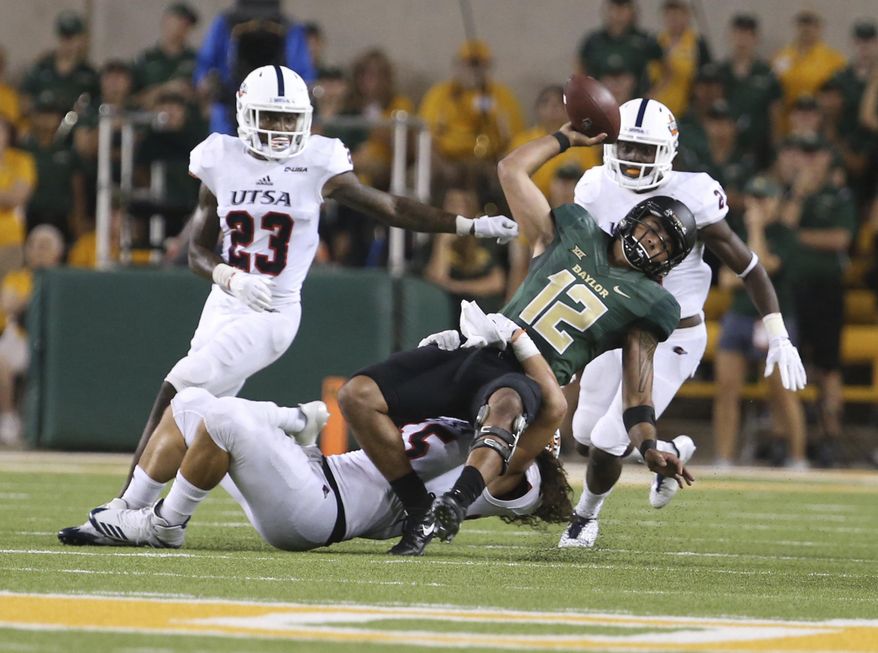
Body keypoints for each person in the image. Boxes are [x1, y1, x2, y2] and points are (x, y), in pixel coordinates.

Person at [61, 64, 518, 534]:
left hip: (272, 312)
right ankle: (256, 449)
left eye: (288, 119)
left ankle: (124, 506)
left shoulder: (317, 162)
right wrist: (228, 276)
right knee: (194, 411)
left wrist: (468, 224)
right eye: (270, 117)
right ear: (244, 113)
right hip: (225, 302)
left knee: (180, 382)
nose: (280, 130)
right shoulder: (220, 157)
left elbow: (390, 207)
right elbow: (196, 250)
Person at [339, 121, 698, 556]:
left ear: (669, 261)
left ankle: (455, 503)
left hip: (531, 377)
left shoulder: (650, 302)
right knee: (357, 396)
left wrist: (646, 445)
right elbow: (511, 169)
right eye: (652, 229)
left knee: (506, 405)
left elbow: (637, 393)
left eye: (664, 243)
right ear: (633, 220)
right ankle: (418, 511)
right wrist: (566, 139)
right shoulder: (574, 228)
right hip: (480, 349)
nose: (652, 242)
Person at [559, 98, 807, 549]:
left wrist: (778, 334)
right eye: (626, 148)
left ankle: (585, 519)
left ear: (668, 151)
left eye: (643, 150)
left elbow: (747, 266)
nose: (632, 160)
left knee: (609, 440)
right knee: (583, 437)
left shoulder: (694, 194)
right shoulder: (594, 186)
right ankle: (666, 451)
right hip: (615, 327)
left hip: (671, 332)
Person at [58, 385, 572, 549]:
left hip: (320, 511)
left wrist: (531, 422)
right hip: (317, 473)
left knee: (228, 419)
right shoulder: (466, 414)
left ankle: (165, 526)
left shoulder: (520, 479)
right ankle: (126, 508)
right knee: (192, 401)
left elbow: (504, 460)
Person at [713, 176, 806, 468]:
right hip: (739, 315)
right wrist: (748, 268)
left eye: (764, 198)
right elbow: (726, 281)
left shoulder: (786, 235)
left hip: (774, 320)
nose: (758, 204)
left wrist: (755, 230)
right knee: (727, 390)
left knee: (783, 392)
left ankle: (797, 458)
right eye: (754, 198)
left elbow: (760, 269)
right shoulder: (733, 232)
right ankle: (724, 458)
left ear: (777, 202)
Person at [782, 135, 857, 467]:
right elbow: (782, 226)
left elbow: (840, 238)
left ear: (827, 158)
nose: (809, 161)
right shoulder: (791, 193)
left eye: (815, 154)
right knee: (795, 366)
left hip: (826, 291)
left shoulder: (838, 195)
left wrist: (800, 238)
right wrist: (798, 193)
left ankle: (831, 435)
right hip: (791, 291)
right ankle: (790, 437)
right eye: (804, 153)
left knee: (827, 368)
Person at [194, 0, 315, 136]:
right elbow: (206, 64)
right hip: (229, 101)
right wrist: (207, 86)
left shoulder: (290, 26)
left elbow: (302, 74)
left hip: (278, 105)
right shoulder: (225, 23)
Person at [418, 40, 524, 192]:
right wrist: (443, 166)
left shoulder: (503, 96)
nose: (475, 70)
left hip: (488, 163)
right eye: (469, 64)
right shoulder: (439, 94)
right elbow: (425, 136)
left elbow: (514, 140)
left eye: (481, 64)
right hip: (448, 162)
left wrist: (499, 166)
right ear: (457, 66)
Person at [0, 225, 65, 445]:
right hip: (21, 340)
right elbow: (7, 303)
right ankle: (8, 418)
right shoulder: (19, 278)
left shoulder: (63, 280)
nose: (38, 251)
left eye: (44, 247)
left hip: (55, 345)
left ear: (57, 252)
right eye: (33, 246)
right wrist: (35, 293)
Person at [715, 13, 784, 168]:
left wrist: (776, 148)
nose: (742, 40)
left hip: (759, 147)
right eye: (738, 33)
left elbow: (776, 113)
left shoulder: (767, 74)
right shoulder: (719, 72)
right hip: (727, 147)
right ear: (730, 36)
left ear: (756, 38)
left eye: (747, 34)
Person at [772, 10, 846, 133]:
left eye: (812, 24)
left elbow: (839, 99)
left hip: (820, 128)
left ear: (820, 28)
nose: (806, 29)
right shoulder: (780, 57)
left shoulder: (834, 60)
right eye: (802, 24)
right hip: (788, 128)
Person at [19, 11, 99, 119]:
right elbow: (24, 103)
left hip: (75, 127)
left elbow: (97, 105)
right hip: (43, 125)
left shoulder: (89, 73)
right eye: (64, 37)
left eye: (72, 37)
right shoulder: (41, 67)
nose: (68, 43)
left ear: (82, 39)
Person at [577, 0, 664, 97]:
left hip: (636, 100)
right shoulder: (593, 40)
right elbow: (580, 65)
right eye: (614, 8)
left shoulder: (645, 40)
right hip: (600, 100)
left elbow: (667, 69)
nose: (618, 13)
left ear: (632, 11)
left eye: (623, 8)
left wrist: (653, 93)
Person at [649, 0, 712, 119]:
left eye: (678, 14)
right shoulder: (656, 42)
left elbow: (705, 75)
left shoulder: (697, 43)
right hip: (658, 104)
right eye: (669, 14)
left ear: (687, 16)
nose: (674, 19)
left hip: (687, 108)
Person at [131, 2, 199, 109]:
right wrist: (166, 89)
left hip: (189, 122)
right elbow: (132, 100)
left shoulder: (197, 59)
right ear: (166, 21)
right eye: (179, 20)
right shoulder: (145, 59)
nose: (182, 26)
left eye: (187, 23)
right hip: (152, 121)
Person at [0, 116, 35, 279]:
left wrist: (10, 197)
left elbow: (17, 198)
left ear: (8, 134)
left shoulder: (22, 161)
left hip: (9, 241)